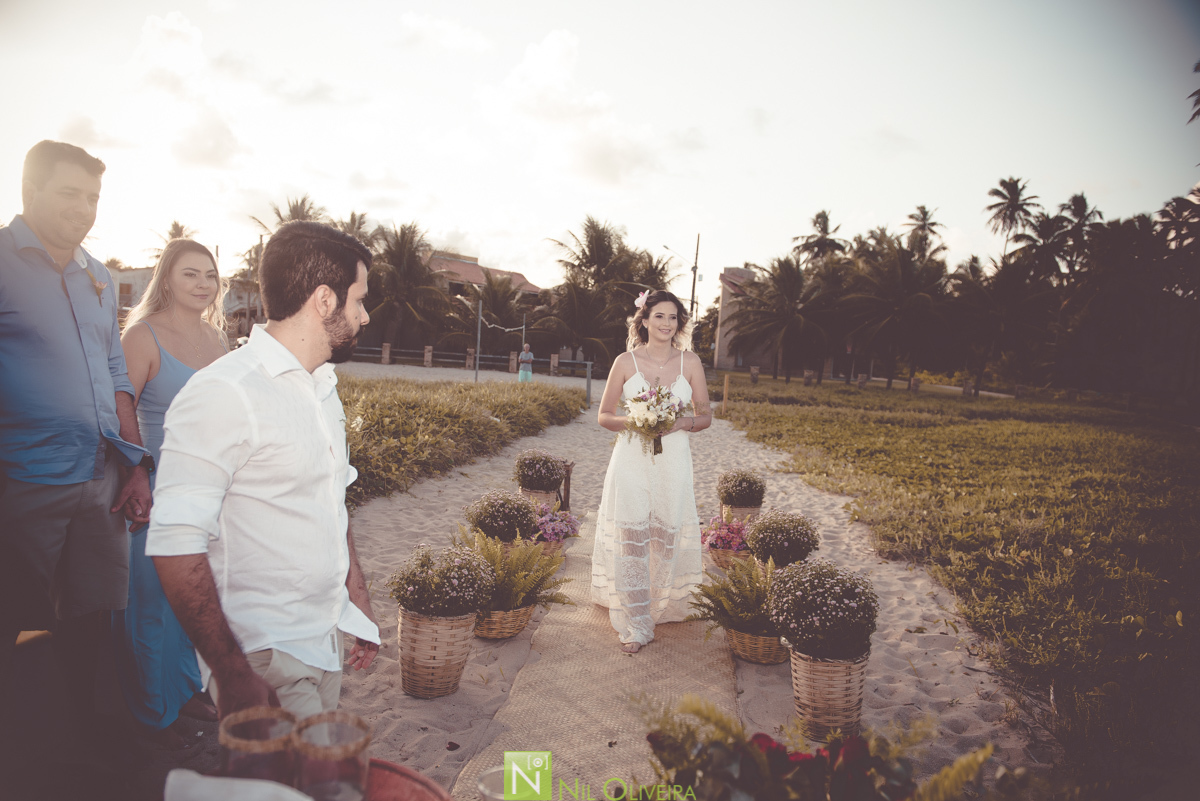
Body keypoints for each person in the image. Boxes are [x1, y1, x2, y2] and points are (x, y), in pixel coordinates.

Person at [146, 221, 381, 719]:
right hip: (266, 656)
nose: (364, 316)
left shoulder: (322, 387)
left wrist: (353, 596)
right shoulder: (226, 392)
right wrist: (233, 674)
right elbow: (173, 543)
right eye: (358, 300)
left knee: (320, 786)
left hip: (323, 638)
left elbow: (329, 499)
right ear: (323, 300)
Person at [0, 141, 152, 729]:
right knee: (11, 614)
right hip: (23, 478)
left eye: (92, 197)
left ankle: (79, 734)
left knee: (90, 611)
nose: (84, 208)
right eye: (69, 193)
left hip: (100, 478)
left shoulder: (98, 276)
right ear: (29, 192)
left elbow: (116, 374)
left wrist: (135, 465)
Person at [111, 239, 226, 749]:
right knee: (150, 598)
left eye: (210, 275)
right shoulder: (143, 335)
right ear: (167, 280)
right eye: (190, 275)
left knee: (192, 594)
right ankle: (149, 708)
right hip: (154, 484)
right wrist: (137, 471)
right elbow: (122, 408)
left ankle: (182, 691)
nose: (202, 285)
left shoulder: (220, 341)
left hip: (204, 488)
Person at [590, 289, 712, 653]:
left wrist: (681, 423)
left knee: (663, 534)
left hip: (673, 459)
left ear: (680, 323)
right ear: (644, 320)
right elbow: (604, 415)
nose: (666, 324)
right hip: (630, 458)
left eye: (673, 317)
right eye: (659, 316)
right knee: (631, 535)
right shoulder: (625, 361)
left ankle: (660, 603)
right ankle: (637, 620)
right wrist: (636, 420)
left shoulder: (690, 362)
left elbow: (705, 416)